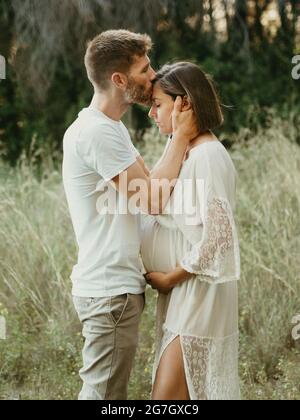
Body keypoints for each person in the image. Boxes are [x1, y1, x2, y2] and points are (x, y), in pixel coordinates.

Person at [62, 31, 198, 400]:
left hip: (116, 290)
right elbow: (152, 198)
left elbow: (150, 183)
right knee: (104, 396)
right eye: (144, 69)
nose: (153, 76)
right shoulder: (96, 134)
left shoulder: (111, 128)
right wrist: (182, 137)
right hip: (109, 291)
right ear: (119, 80)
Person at [141, 62, 241, 400]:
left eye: (157, 104)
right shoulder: (188, 152)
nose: (152, 113)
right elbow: (151, 196)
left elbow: (219, 238)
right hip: (190, 290)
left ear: (183, 103)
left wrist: (170, 278)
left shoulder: (207, 157)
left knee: (166, 400)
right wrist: (179, 136)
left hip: (200, 291)